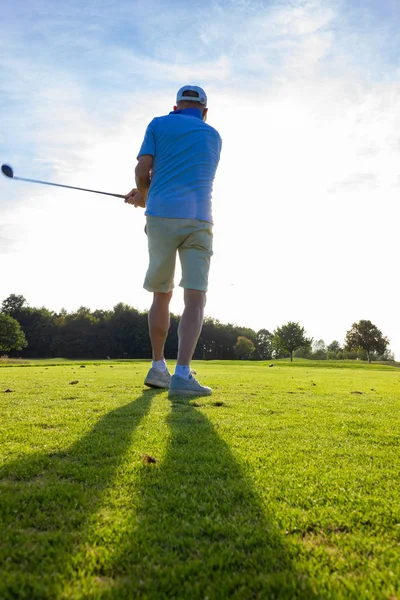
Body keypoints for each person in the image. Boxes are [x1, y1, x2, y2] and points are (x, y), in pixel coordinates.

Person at [124, 85, 222, 397]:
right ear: (204, 111)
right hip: (198, 219)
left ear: (176, 106)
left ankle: (157, 368)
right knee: (195, 298)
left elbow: (143, 170)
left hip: (160, 217)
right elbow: (186, 173)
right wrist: (147, 195)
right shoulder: (213, 136)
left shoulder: (157, 124)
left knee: (161, 295)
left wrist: (146, 196)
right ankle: (182, 374)